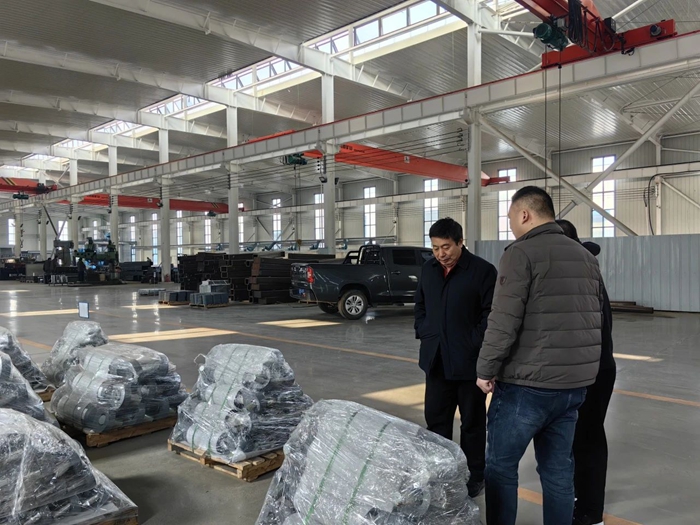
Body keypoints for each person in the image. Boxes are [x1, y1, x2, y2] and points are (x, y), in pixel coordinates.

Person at [476, 186, 603, 525]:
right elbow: (595, 319)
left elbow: (503, 320)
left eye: (510, 218)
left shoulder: (521, 253)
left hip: (526, 386)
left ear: (525, 214)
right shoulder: (585, 257)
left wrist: (485, 369)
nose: (510, 226)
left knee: (501, 466)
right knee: (558, 471)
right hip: (572, 388)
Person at [415, 217, 497, 498]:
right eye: (435, 248)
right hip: (436, 360)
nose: (441, 254)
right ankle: (442, 475)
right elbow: (420, 306)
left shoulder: (482, 271)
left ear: (461, 242)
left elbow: (491, 315)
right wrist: (424, 331)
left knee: (472, 423)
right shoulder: (428, 270)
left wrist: (472, 342)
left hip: (469, 363)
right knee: (436, 422)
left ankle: (475, 475)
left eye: (446, 247)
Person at [556, 219, 616, 525]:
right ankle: (580, 499)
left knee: (587, 437)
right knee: (575, 439)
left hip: (591, 369)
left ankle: (590, 512)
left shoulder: (581, 274)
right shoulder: (579, 268)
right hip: (584, 367)